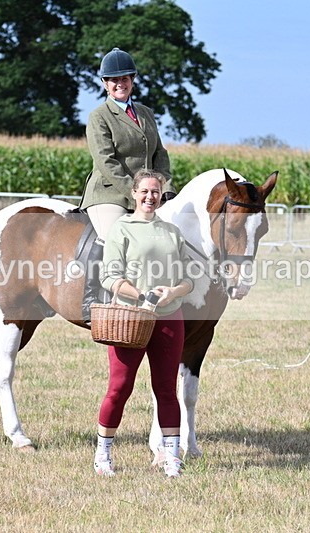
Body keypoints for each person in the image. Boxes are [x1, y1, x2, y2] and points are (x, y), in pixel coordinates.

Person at [93, 170, 194, 478]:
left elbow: (188, 279)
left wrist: (173, 292)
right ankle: (103, 453)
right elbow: (109, 277)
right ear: (134, 194)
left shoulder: (172, 231)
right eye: (145, 191)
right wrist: (141, 295)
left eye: (156, 191)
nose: (151, 196)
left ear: (162, 195)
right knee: (120, 387)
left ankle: (171, 455)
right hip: (131, 318)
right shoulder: (122, 228)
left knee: (166, 388)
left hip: (169, 317)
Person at [79, 47, 176, 324]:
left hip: (146, 193)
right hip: (109, 192)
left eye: (125, 78)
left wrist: (164, 184)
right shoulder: (100, 116)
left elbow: (160, 152)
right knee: (113, 237)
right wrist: (136, 194)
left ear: (132, 80)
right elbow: (106, 161)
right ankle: (90, 299)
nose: (120, 84)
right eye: (113, 80)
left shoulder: (145, 113)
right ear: (104, 84)